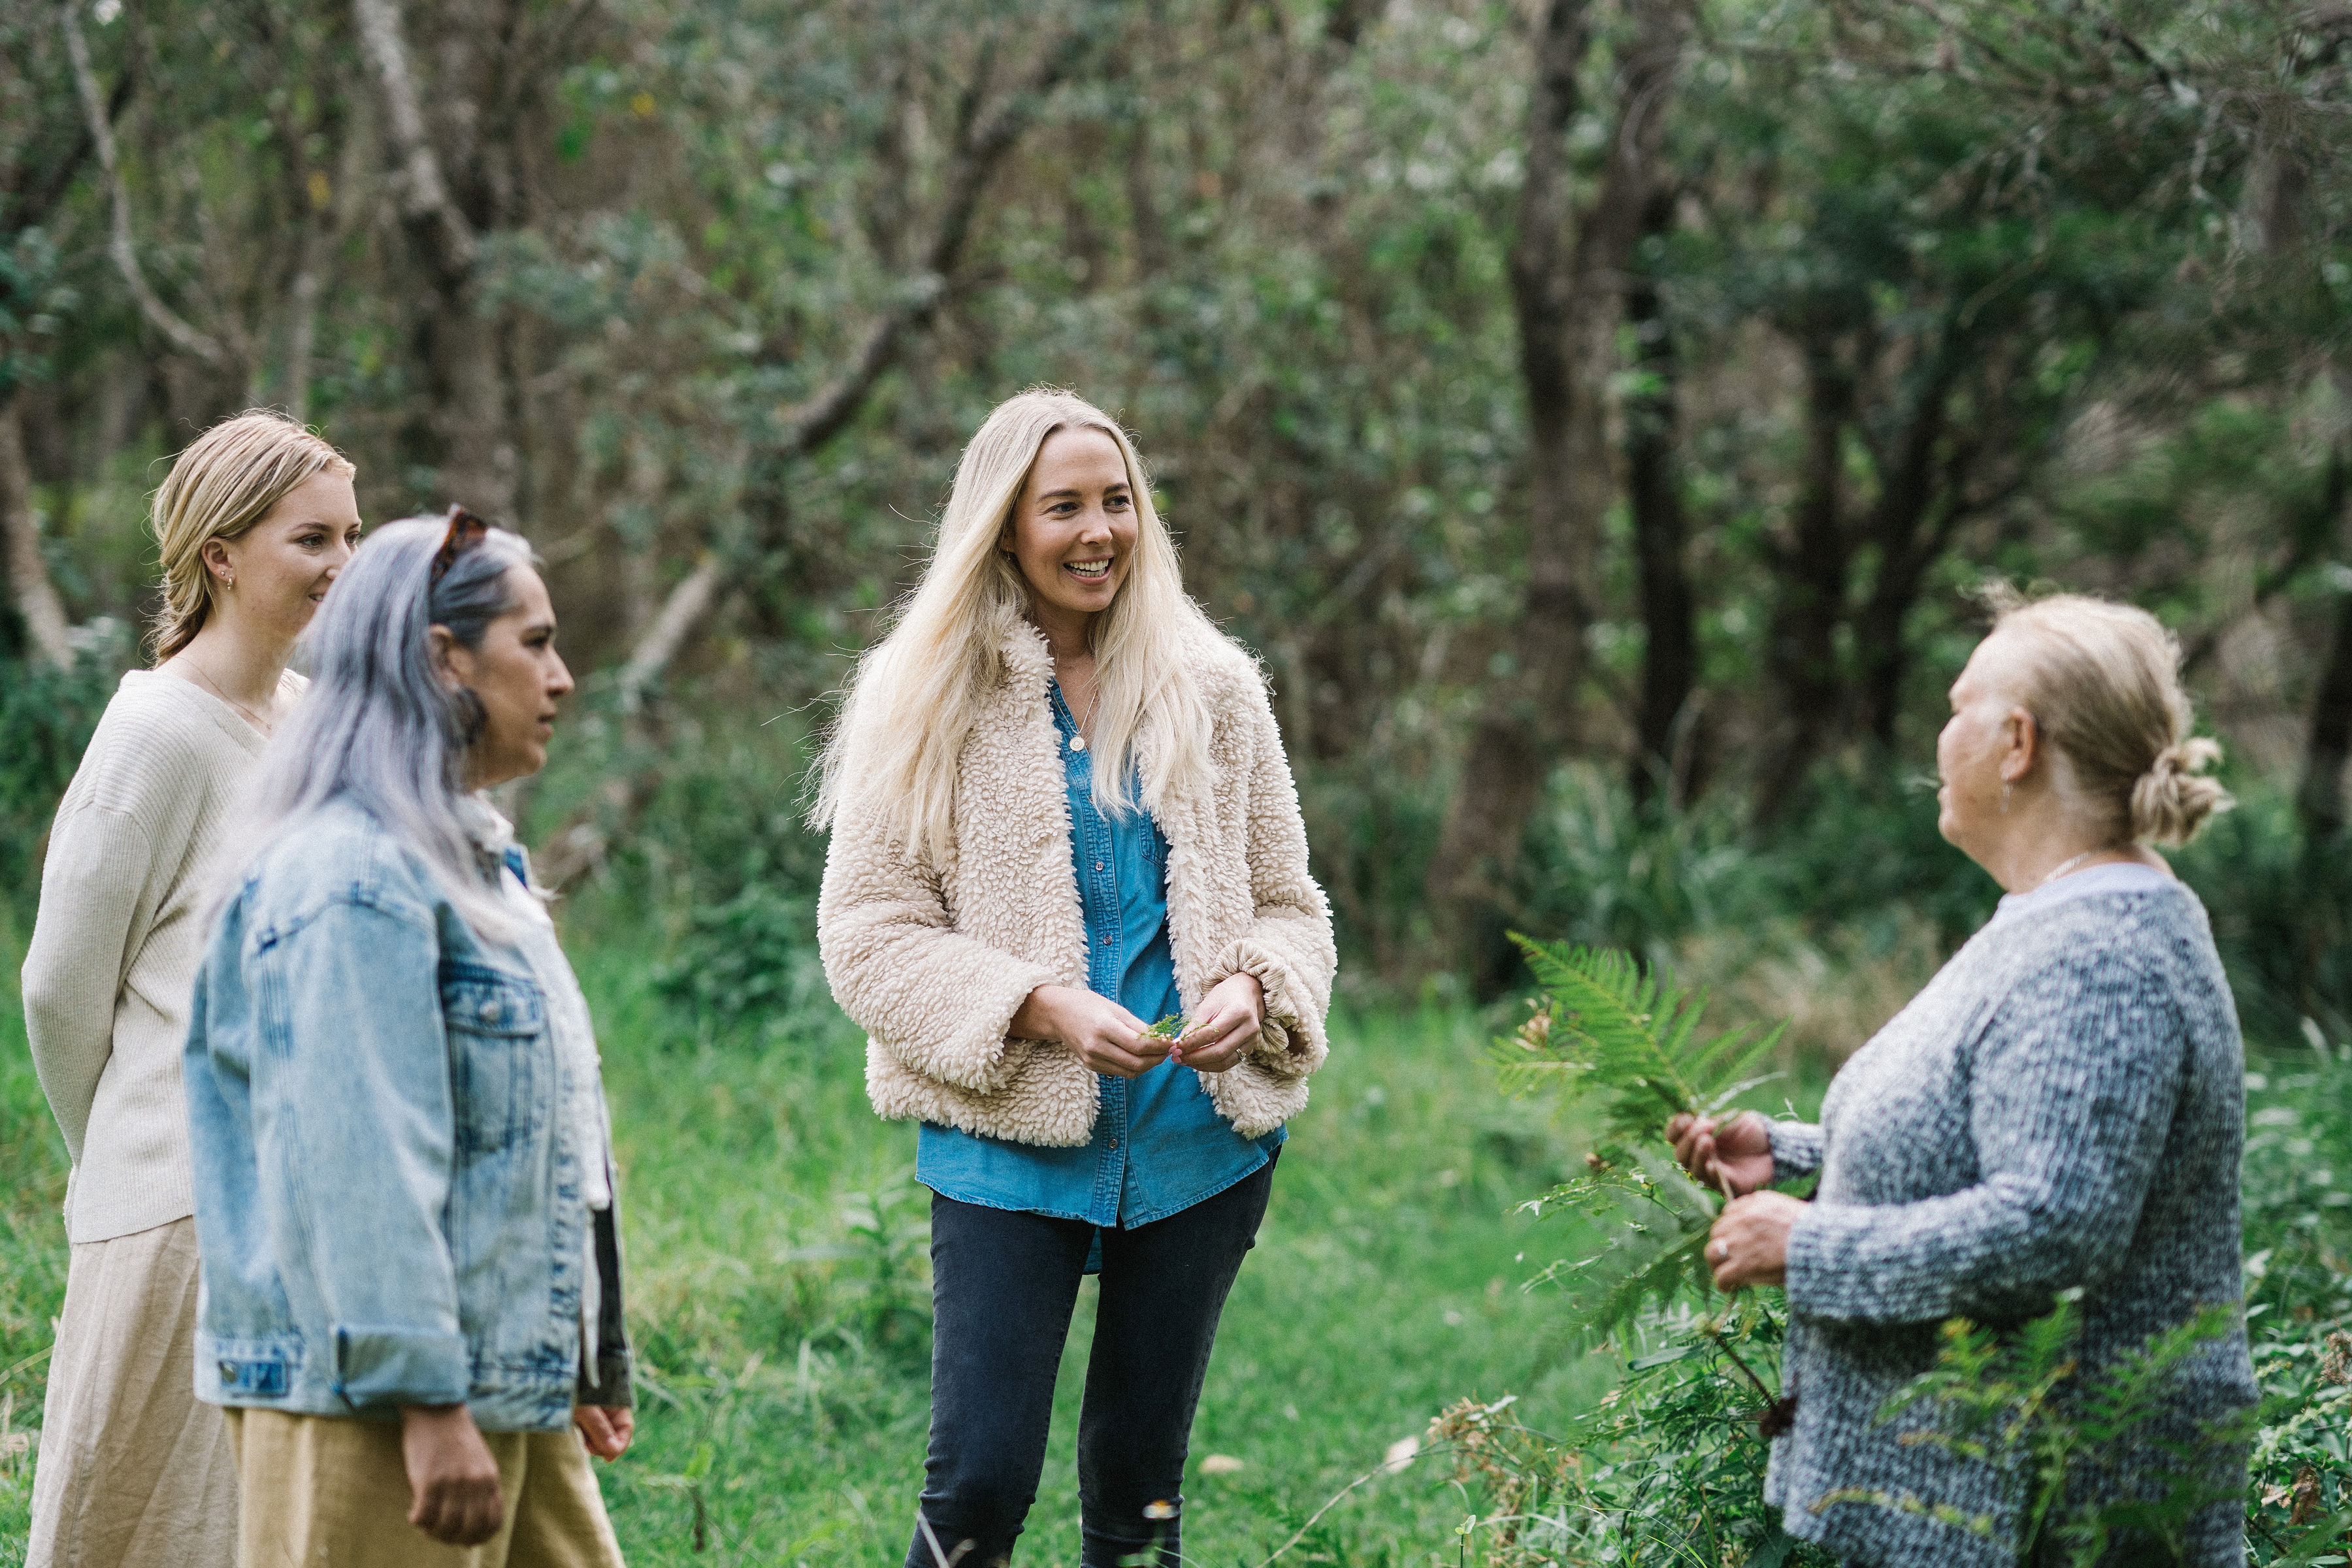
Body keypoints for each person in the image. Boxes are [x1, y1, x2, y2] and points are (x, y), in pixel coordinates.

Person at [814, 389, 1336, 1568]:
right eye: (1064, 508)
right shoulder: (923, 694)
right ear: (1005, 528)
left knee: (1138, 1483)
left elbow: (1289, 906)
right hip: (1008, 1138)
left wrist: (1255, 989)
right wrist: (1033, 1007)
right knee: (981, 1482)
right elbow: (866, 931)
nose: (1099, 531)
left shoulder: (1215, 685)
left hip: (1194, 1143)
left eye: (1118, 503)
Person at [1669, 589, 2255, 1567]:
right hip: (1995, 1502)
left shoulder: (2101, 955)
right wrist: (1800, 1159)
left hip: (2058, 1512)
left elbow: (2055, 1224)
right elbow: (2010, 1131)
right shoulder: (2055, 918)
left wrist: (1813, 1245)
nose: (1941, 739)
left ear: (2017, 742)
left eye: (1957, 709)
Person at [182, 510, 633, 1567]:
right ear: (444, 659)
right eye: (534, 644)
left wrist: (574, 1361)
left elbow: (553, 1143)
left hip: (493, 1385)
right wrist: (424, 1400)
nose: (562, 678)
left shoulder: (473, 863)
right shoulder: (351, 879)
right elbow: (357, 1160)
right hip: (382, 1407)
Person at [22, 409, 360, 1568]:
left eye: (350, 538)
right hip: (177, 1217)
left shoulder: (316, 723)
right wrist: (127, 1156)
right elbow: (62, 991)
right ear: (220, 554)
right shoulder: (156, 733)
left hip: (298, 1206)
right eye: (310, 539)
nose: (340, 566)